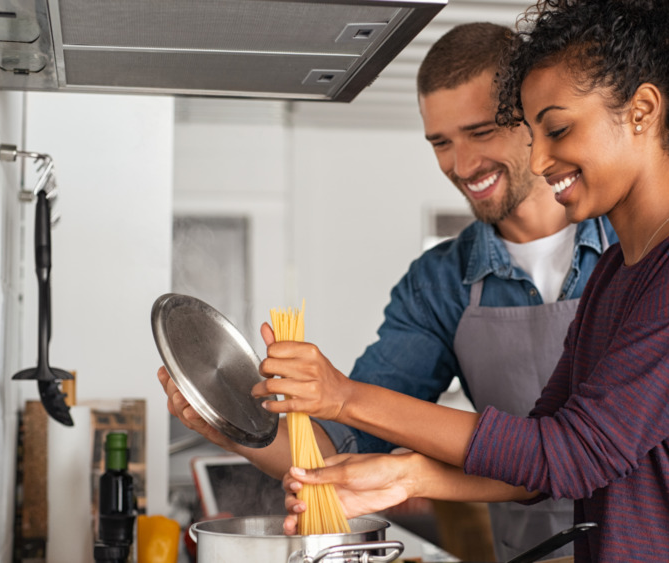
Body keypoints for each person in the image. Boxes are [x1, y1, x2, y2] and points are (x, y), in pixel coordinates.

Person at [260, 0, 669, 560]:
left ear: (641, 111)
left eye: (556, 130)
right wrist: (406, 477)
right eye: (533, 133)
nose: (541, 159)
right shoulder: (613, 277)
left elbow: (572, 455)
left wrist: (345, 396)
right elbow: (539, 461)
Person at [159, 22, 617, 560]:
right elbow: (340, 451)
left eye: (482, 131)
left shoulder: (630, 251)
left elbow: (584, 450)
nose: (462, 165)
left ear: (532, 121)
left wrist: (350, 402)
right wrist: (229, 426)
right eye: (441, 143)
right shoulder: (440, 282)